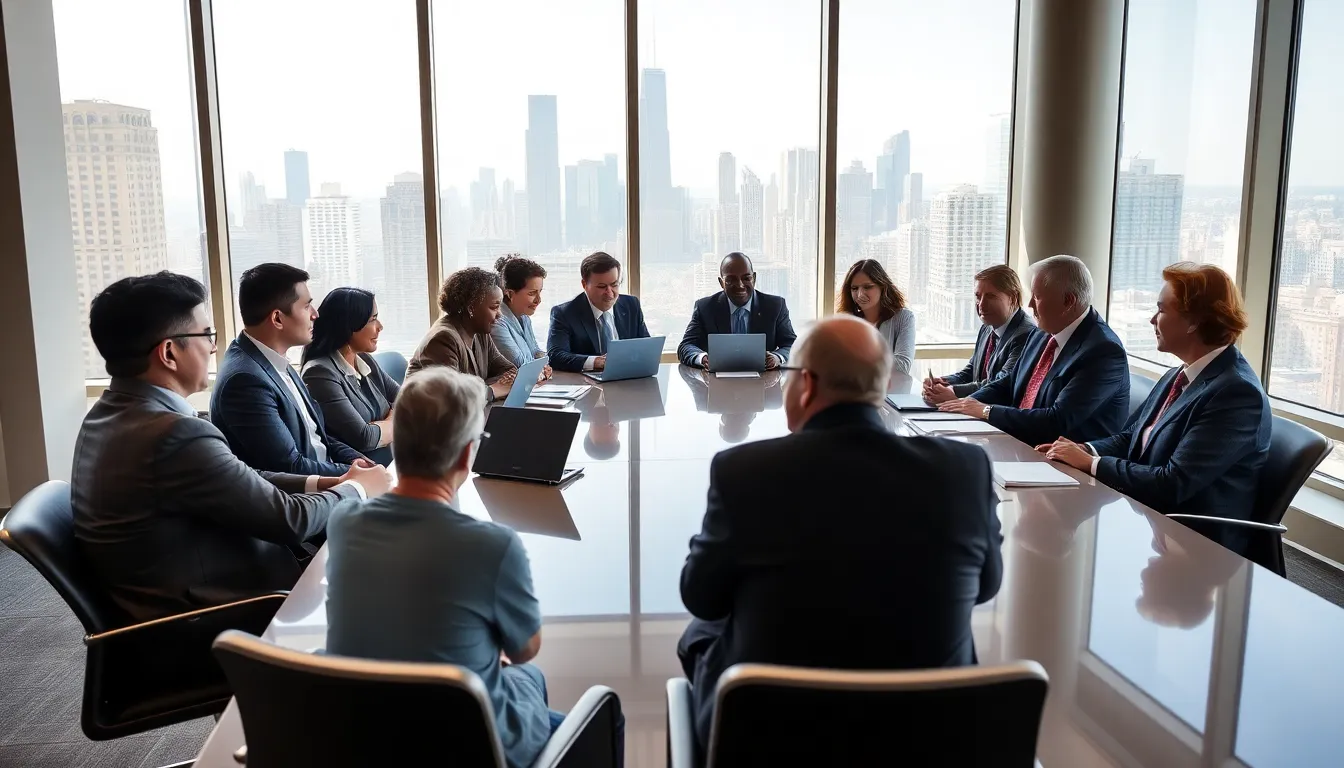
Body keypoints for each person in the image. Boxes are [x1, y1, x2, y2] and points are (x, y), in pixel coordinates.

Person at [677, 315, 1002, 755]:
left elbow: (701, 597)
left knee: (701, 630)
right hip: (933, 737)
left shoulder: (745, 471)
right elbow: (985, 587)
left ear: (806, 384)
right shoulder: (965, 469)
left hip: (768, 740)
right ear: (881, 384)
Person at [325, 367, 622, 768]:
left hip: (369, 732)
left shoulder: (344, 522)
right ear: (468, 453)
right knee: (574, 700)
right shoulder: (492, 545)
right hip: (466, 741)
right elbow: (524, 650)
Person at [72, 272, 391, 623]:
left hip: (194, 594)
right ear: (168, 353)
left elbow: (242, 476)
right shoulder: (173, 434)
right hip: (217, 616)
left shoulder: (108, 416)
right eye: (207, 335)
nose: (213, 348)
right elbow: (289, 520)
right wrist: (357, 489)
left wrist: (326, 483)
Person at [1037, 263, 1270, 555]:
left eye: (1161, 310)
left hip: (1195, 546)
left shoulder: (1236, 394)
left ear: (1194, 321)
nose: (1152, 319)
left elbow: (1173, 483)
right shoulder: (1180, 375)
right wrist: (1085, 449)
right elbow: (1131, 437)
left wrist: (1091, 465)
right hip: (1149, 519)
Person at [938, 254, 1129, 446]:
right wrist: (964, 405)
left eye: (1037, 297)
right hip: (1019, 445)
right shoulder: (1042, 332)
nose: (1029, 305)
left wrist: (986, 411)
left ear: (1068, 301)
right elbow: (1007, 383)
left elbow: (1057, 420)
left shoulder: (1103, 351)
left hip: (1062, 463)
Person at [212, 263, 369, 477]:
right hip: (306, 497)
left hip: (330, 479)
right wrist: (355, 475)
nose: (315, 315)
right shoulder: (244, 380)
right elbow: (288, 466)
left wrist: (359, 462)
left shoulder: (275, 359)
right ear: (277, 318)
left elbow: (317, 435)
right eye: (306, 307)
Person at [301, 287, 400, 466]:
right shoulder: (319, 374)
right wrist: (396, 418)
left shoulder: (364, 359)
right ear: (348, 326)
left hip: (396, 460)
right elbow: (364, 438)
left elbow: (409, 401)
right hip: (366, 471)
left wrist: (380, 426)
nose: (380, 326)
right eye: (373, 319)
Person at [923, 264, 1034, 403]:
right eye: (978, 296)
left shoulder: (1026, 335)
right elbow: (971, 372)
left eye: (990, 296)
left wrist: (954, 392)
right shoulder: (987, 327)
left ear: (1012, 297)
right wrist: (943, 383)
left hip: (996, 419)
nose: (981, 304)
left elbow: (1000, 384)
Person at [408, 267, 519, 403]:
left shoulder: (480, 333)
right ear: (471, 308)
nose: (500, 315)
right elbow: (450, 397)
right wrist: (492, 390)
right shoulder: (443, 338)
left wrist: (488, 388)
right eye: (494, 307)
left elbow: (508, 370)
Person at [677, 251, 796, 369]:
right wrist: (702, 358)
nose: (740, 285)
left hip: (763, 382)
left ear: (754, 278)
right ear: (721, 283)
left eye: (746, 278)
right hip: (717, 383)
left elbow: (793, 345)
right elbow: (686, 346)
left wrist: (777, 357)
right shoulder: (705, 307)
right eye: (731, 280)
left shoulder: (775, 306)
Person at [547, 251, 650, 372]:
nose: (610, 293)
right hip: (587, 383)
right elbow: (555, 355)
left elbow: (646, 347)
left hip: (628, 378)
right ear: (584, 284)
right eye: (602, 287)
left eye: (614, 285)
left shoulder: (631, 305)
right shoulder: (564, 313)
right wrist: (595, 362)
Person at [838, 258, 916, 374]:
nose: (860, 294)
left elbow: (903, 366)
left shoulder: (904, 318)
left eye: (867, 287)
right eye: (854, 288)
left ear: (882, 287)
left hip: (892, 391)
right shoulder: (848, 321)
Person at [492, 254, 553, 378]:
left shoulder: (525, 318)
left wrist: (544, 364)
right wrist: (540, 368)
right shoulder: (497, 323)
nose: (539, 300)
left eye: (540, 292)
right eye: (532, 293)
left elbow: (536, 352)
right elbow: (521, 366)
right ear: (509, 293)